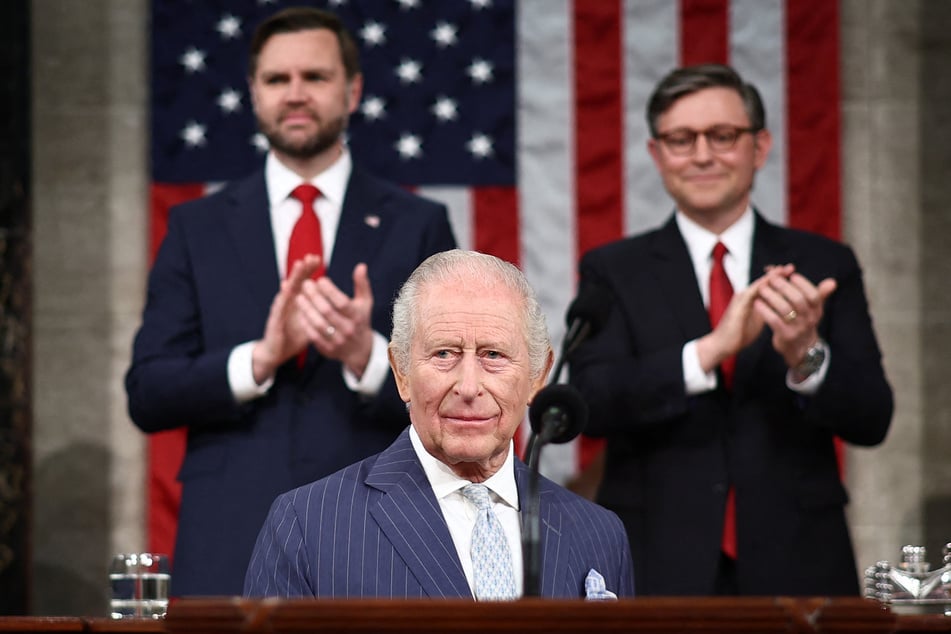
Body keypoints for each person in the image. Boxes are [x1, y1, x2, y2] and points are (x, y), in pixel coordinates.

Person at [125, 7, 456, 597]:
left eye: (315, 77)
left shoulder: (418, 225)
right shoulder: (195, 228)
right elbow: (148, 391)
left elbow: (457, 386)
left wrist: (368, 355)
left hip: (382, 528)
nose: (295, 94)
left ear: (352, 91)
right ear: (253, 94)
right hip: (229, 535)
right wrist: (259, 358)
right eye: (277, 80)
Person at [567, 64, 893, 596]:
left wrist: (806, 356)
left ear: (759, 147)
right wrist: (709, 352)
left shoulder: (822, 262)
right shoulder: (614, 269)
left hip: (799, 561)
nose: (701, 155)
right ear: (657, 155)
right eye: (680, 139)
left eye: (722, 136)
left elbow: (873, 418)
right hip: (658, 560)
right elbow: (591, 401)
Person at [243, 250, 635, 599]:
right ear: (401, 372)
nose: (468, 387)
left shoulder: (598, 534)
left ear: (537, 375)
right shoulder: (308, 524)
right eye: (444, 353)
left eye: (493, 355)